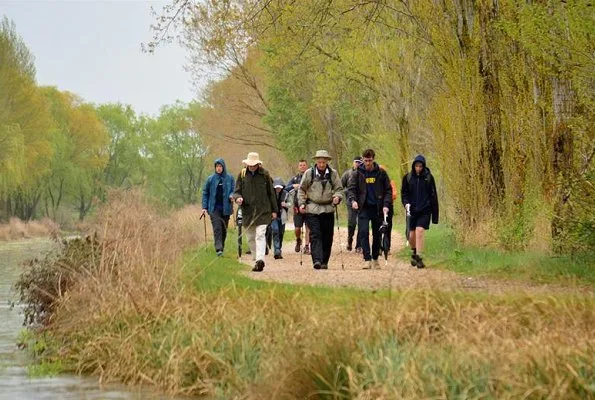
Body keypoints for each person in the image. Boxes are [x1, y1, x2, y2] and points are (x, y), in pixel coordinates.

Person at [347, 149, 392, 269]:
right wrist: (353, 200)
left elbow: (388, 190)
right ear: (363, 159)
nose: (368, 163)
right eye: (366, 160)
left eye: (370, 160)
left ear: (373, 159)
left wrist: (386, 205)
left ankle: (375, 258)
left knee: (377, 234)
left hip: (377, 208)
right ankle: (367, 259)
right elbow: (351, 189)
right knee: (363, 232)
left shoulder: (381, 173)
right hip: (363, 208)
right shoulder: (357, 173)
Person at [297, 150, 343, 270]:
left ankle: (324, 261)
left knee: (327, 236)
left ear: (327, 161)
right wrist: (302, 204)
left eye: (324, 162)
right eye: (319, 162)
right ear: (316, 161)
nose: (321, 164)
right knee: (315, 234)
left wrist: (337, 197)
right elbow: (301, 190)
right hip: (312, 208)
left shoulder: (333, 174)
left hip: (328, 208)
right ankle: (316, 260)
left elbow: (339, 188)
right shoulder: (309, 173)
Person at [233, 152, 278, 272]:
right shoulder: (242, 175)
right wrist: (238, 198)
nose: (252, 167)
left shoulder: (265, 174)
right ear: (247, 164)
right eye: (250, 165)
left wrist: (274, 210)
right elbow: (236, 191)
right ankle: (256, 258)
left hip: (263, 211)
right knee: (250, 238)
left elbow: (271, 193)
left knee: (260, 235)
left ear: (258, 164)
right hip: (248, 211)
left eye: (254, 165)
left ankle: (260, 260)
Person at [400, 154, 439, 269]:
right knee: (411, 236)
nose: (418, 168)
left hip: (425, 210)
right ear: (413, 166)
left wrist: (435, 215)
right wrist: (406, 203)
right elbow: (404, 194)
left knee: (420, 231)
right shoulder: (407, 178)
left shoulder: (429, 178)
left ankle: (419, 257)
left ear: (423, 166)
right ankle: (414, 251)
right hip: (411, 210)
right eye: (416, 166)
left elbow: (433, 196)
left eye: (420, 166)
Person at [201, 158, 235, 256]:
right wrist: (204, 207)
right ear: (215, 168)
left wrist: (232, 195)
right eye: (217, 166)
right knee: (217, 228)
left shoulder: (230, 178)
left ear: (223, 167)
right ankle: (218, 249)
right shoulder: (210, 179)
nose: (219, 168)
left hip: (226, 208)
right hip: (213, 208)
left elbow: (234, 190)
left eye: (220, 166)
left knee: (224, 228)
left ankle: (221, 247)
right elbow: (205, 192)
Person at [286, 160, 311, 254]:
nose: (302, 167)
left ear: (307, 166)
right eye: (300, 165)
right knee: (297, 228)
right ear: (298, 167)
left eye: (304, 165)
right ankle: (298, 240)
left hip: (309, 205)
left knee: (309, 227)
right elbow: (285, 188)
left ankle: (307, 246)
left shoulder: (310, 177)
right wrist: (293, 186)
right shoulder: (295, 178)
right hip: (297, 207)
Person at [341, 155, 362, 252]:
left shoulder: (364, 174)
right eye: (356, 162)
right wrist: (346, 192)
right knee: (352, 223)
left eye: (360, 162)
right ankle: (350, 239)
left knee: (361, 223)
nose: (358, 164)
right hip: (350, 202)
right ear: (353, 163)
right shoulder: (347, 174)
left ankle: (359, 245)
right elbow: (340, 187)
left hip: (362, 202)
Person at [271, 177, 290, 259]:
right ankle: (277, 250)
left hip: (282, 216)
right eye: (276, 187)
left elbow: (290, 203)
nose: (278, 189)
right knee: (275, 231)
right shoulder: (271, 194)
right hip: (273, 217)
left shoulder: (286, 193)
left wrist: (285, 204)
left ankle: (279, 249)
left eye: (279, 187)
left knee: (281, 233)